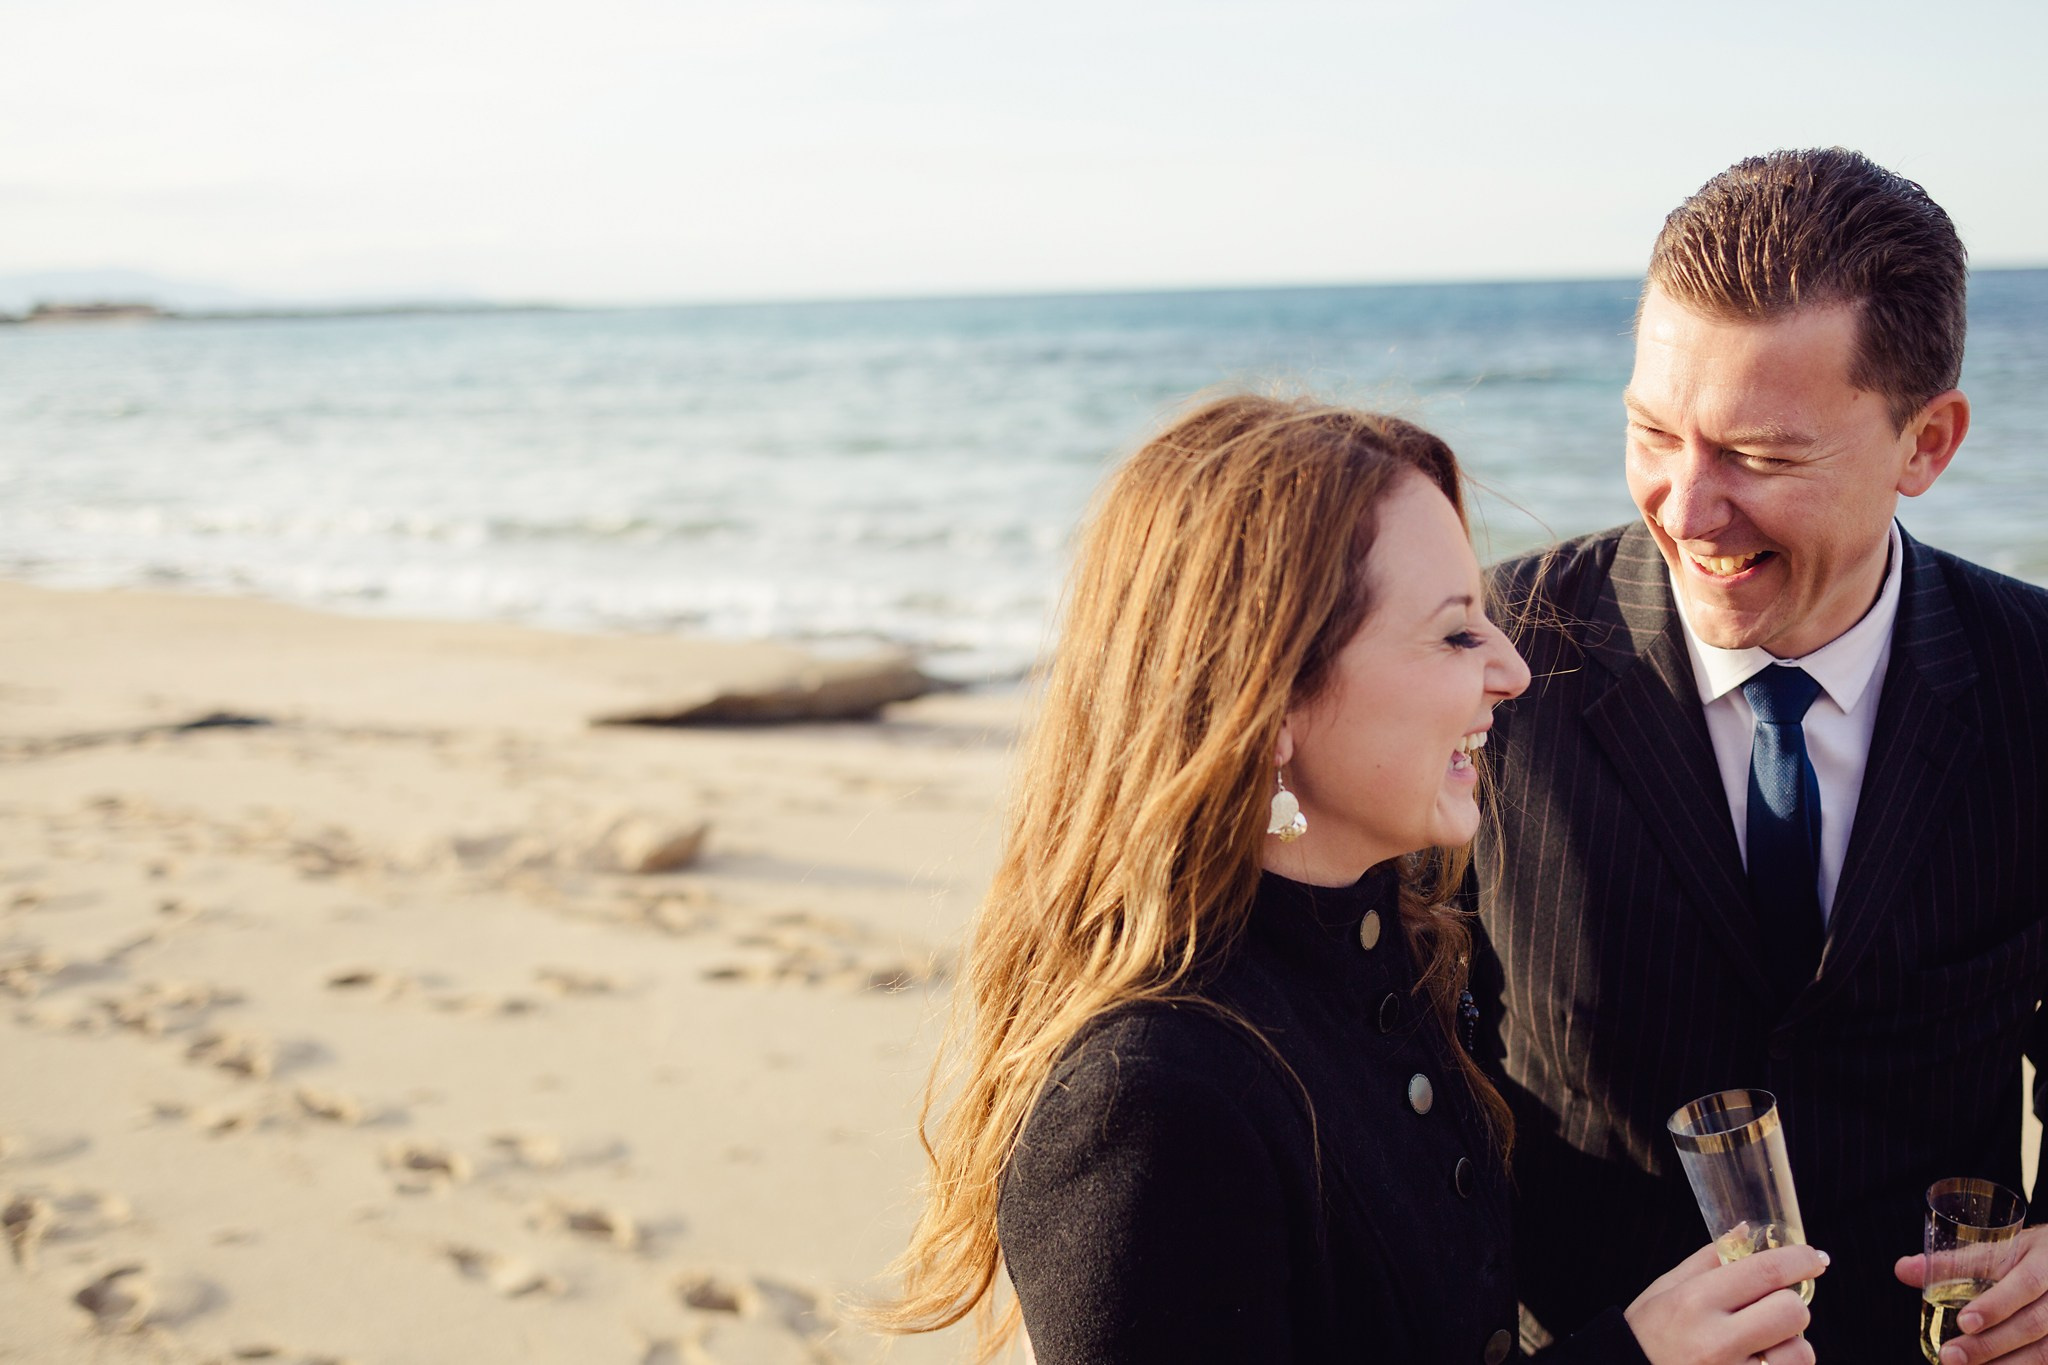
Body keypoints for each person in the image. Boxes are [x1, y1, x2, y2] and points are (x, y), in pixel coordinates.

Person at [875, 394, 1823, 1363]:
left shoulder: (1393, 951)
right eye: (1456, 634)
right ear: (1270, 698)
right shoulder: (1144, 1104)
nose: (1510, 670)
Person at [1472, 147, 2048, 1364]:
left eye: (1758, 457)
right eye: (1651, 435)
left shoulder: (2034, 679)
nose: (1683, 508)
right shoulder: (1488, 666)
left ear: (1924, 446)